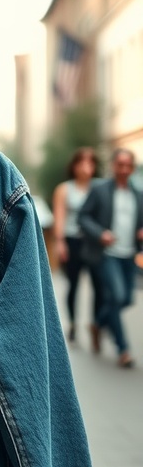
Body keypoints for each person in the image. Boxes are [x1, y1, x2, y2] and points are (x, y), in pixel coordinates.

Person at [79, 148, 143, 367]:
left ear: (133, 168)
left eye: (128, 165)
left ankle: (97, 324)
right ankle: (123, 349)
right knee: (116, 296)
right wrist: (100, 234)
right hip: (107, 254)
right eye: (120, 165)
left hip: (129, 253)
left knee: (126, 298)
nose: (124, 169)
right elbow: (83, 217)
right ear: (114, 166)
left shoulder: (138, 194)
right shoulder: (100, 190)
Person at [52, 147, 101, 346]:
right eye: (82, 162)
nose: (86, 167)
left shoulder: (99, 187)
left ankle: (96, 324)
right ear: (74, 166)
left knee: (100, 286)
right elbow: (60, 217)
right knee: (74, 284)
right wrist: (60, 243)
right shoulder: (64, 189)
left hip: (94, 242)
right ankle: (72, 323)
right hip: (72, 241)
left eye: (90, 163)